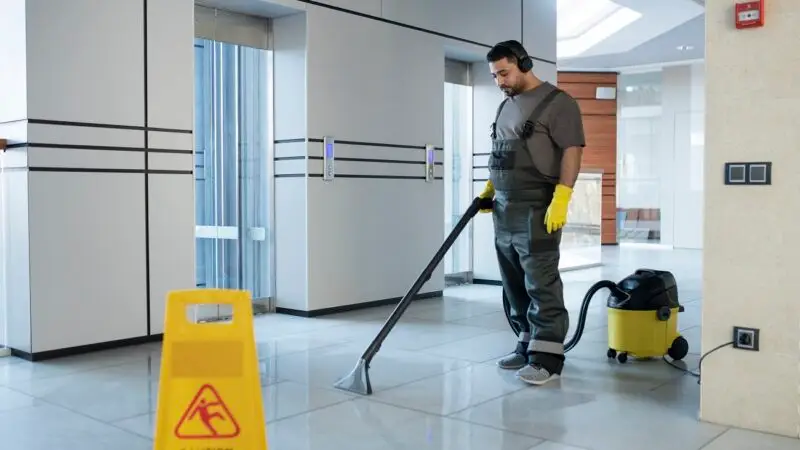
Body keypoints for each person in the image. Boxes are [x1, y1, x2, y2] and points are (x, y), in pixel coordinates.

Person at [479, 40, 586, 386]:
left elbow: (572, 151)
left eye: (504, 73)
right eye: (495, 76)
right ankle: (526, 343)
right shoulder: (505, 107)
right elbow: (501, 153)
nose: (500, 82)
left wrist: (563, 197)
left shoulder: (558, 103)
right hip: (504, 208)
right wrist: (490, 189)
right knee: (513, 283)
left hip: (538, 205)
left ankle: (547, 357)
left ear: (524, 63)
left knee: (540, 280)